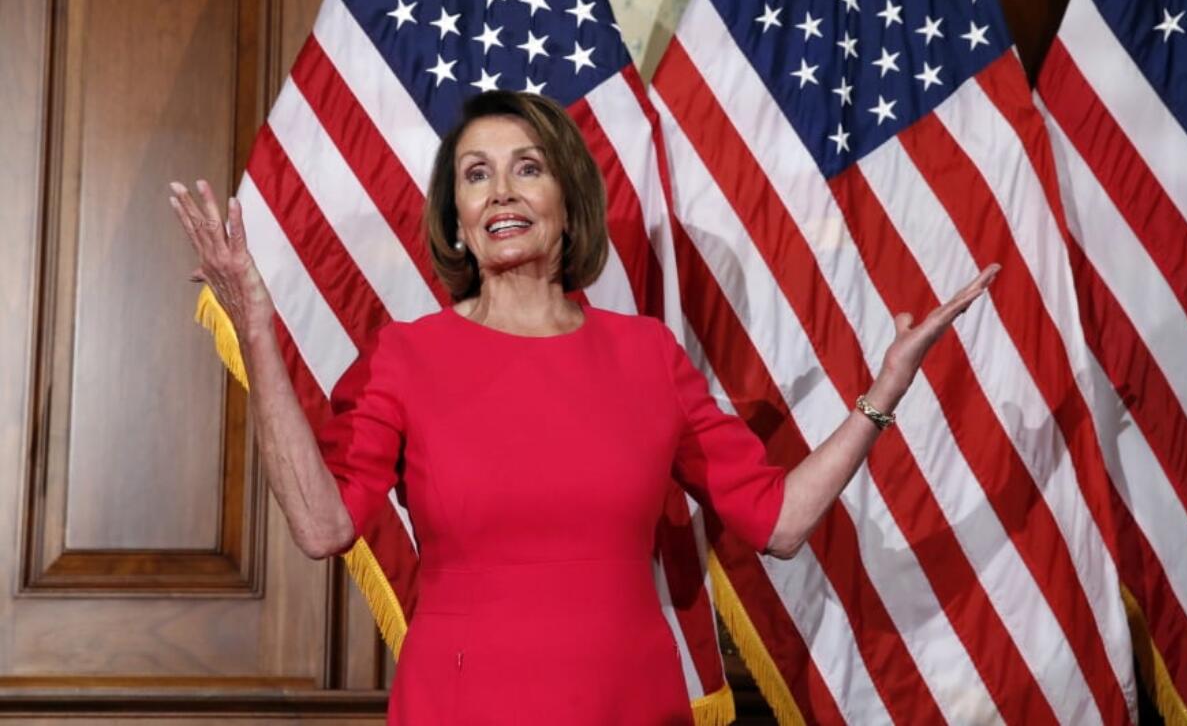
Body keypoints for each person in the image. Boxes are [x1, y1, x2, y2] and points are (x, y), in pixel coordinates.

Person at [169, 90, 997, 725]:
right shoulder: (406, 358)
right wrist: (258, 332)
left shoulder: (646, 357)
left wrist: (881, 397)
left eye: (527, 168)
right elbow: (322, 528)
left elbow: (778, 522)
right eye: (476, 173)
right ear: (455, 219)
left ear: (569, 202)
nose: (501, 191)